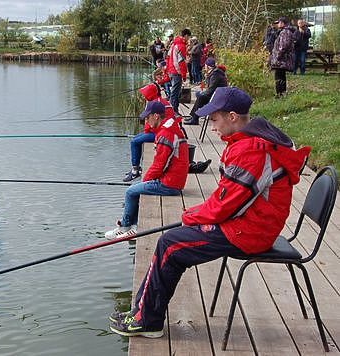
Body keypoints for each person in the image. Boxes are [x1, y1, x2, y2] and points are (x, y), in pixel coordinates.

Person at [108, 86, 311, 337]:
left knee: (170, 245)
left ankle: (147, 321)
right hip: (248, 222)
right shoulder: (246, 142)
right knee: (173, 242)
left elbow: (224, 207)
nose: (212, 125)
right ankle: (142, 312)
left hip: (249, 232)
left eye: (214, 119)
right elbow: (226, 199)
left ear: (233, 117)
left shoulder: (251, 151)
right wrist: (195, 214)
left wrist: (189, 217)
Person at [105, 101, 189, 239]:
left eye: (147, 117)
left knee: (130, 191)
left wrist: (145, 180)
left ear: (156, 116)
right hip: (174, 180)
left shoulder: (165, 134)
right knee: (136, 189)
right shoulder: (168, 127)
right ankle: (133, 225)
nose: (146, 120)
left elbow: (159, 166)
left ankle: (126, 226)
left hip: (170, 184)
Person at [123, 83, 175, 182]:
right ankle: (136, 168)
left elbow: (148, 126)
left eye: (145, 94)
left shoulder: (153, 105)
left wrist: (147, 131)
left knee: (134, 142)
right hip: (165, 130)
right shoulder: (160, 101)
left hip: (162, 133)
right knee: (136, 138)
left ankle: (135, 170)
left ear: (149, 94)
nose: (143, 96)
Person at [184, 57, 227, 125]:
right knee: (200, 96)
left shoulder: (215, 74)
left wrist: (202, 93)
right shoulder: (214, 73)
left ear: (208, 66)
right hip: (216, 95)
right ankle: (194, 117)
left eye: (205, 65)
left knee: (201, 97)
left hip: (218, 97)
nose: (204, 67)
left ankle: (194, 118)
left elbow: (211, 89)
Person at [166, 28, 191, 116]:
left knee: (174, 92)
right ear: (186, 36)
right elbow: (181, 62)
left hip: (171, 71)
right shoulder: (181, 46)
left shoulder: (173, 44)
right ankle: (173, 112)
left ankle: (174, 110)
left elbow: (167, 58)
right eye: (189, 37)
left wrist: (167, 70)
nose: (189, 40)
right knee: (175, 93)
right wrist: (184, 75)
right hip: (177, 72)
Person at [269, 17, 295, 98]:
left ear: (283, 23)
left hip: (282, 59)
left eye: (279, 22)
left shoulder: (285, 32)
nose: (277, 24)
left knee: (279, 76)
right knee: (281, 76)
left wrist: (278, 56)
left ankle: (280, 94)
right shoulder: (284, 32)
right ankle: (281, 94)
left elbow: (284, 46)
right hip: (282, 59)